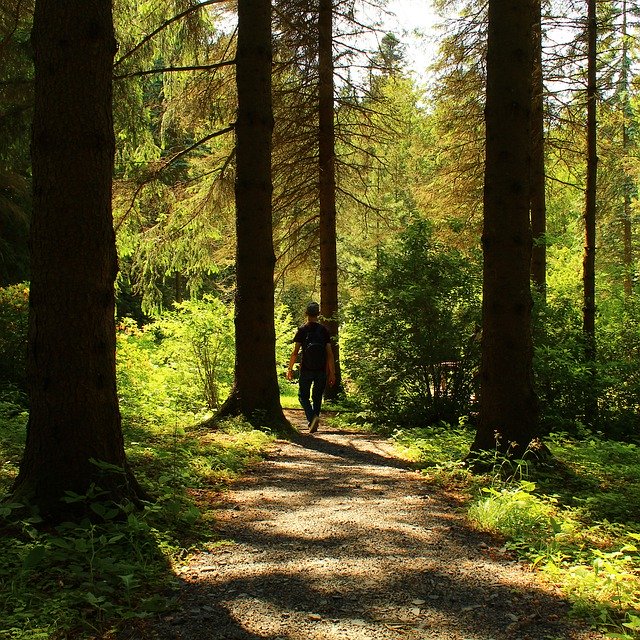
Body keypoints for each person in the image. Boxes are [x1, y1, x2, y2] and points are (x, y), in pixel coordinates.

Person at [286, 301, 336, 433]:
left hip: (306, 369)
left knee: (303, 396)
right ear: (318, 314)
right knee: (317, 397)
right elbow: (329, 354)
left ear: (306, 313)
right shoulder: (324, 330)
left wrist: (290, 369)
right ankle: (315, 419)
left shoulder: (302, 330)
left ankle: (312, 418)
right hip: (321, 370)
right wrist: (332, 373)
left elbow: (295, 352)